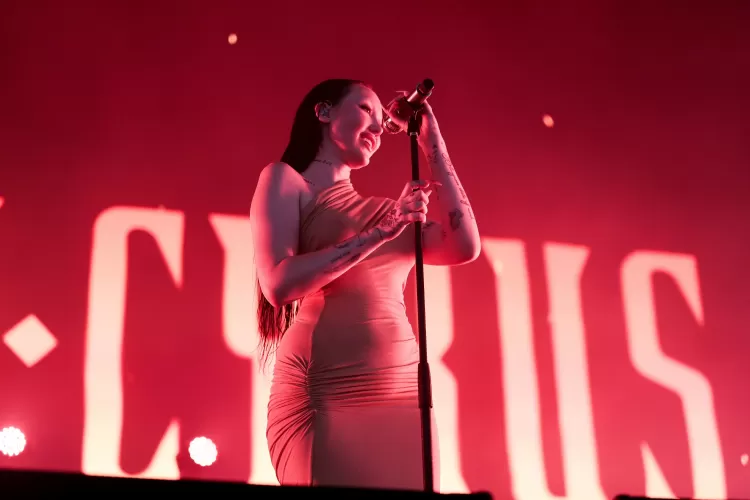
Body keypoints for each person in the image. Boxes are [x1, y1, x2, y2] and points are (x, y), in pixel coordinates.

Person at [249, 79, 481, 490]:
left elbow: (463, 245)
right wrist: (380, 233)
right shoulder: (285, 180)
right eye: (365, 110)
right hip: (324, 389)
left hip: (402, 396)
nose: (377, 127)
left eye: (381, 117)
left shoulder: (387, 211)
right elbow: (278, 284)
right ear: (323, 112)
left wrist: (431, 141)